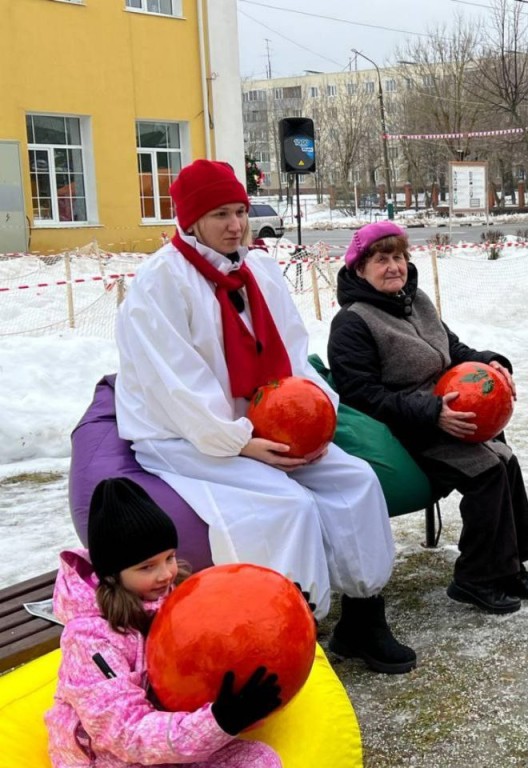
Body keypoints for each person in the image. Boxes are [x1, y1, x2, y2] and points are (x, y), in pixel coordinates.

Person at [114, 159, 415, 674]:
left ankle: (363, 620)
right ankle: (293, 636)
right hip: (186, 434)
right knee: (287, 506)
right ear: (190, 221)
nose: (235, 225)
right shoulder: (160, 285)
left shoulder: (259, 270)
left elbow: (294, 354)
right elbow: (175, 383)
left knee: (357, 481)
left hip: (265, 424)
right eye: (220, 215)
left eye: (240, 211)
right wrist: (240, 442)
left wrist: (313, 420)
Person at [327, 221, 528, 615]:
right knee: (487, 472)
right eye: (381, 259)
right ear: (359, 268)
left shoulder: (417, 300)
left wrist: (490, 361)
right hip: (405, 430)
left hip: (451, 413)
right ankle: (475, 579)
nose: (394, 266)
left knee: (506, 461)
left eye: (398, 257)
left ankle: (511, 565)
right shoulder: (353, 322)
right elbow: (361, 394)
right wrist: (432, 413)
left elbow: (453, 349)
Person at [46, 477, 283, 767]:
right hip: (109, 752)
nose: (166, 574)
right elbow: (124, 733)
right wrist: (218, 721)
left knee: (259, 760)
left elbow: (225, 627)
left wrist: (279, 615)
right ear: (112, 573)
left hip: (167, 720)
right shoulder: (90, 640)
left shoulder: (170, 594)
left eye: (169, 557)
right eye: (147, 567)